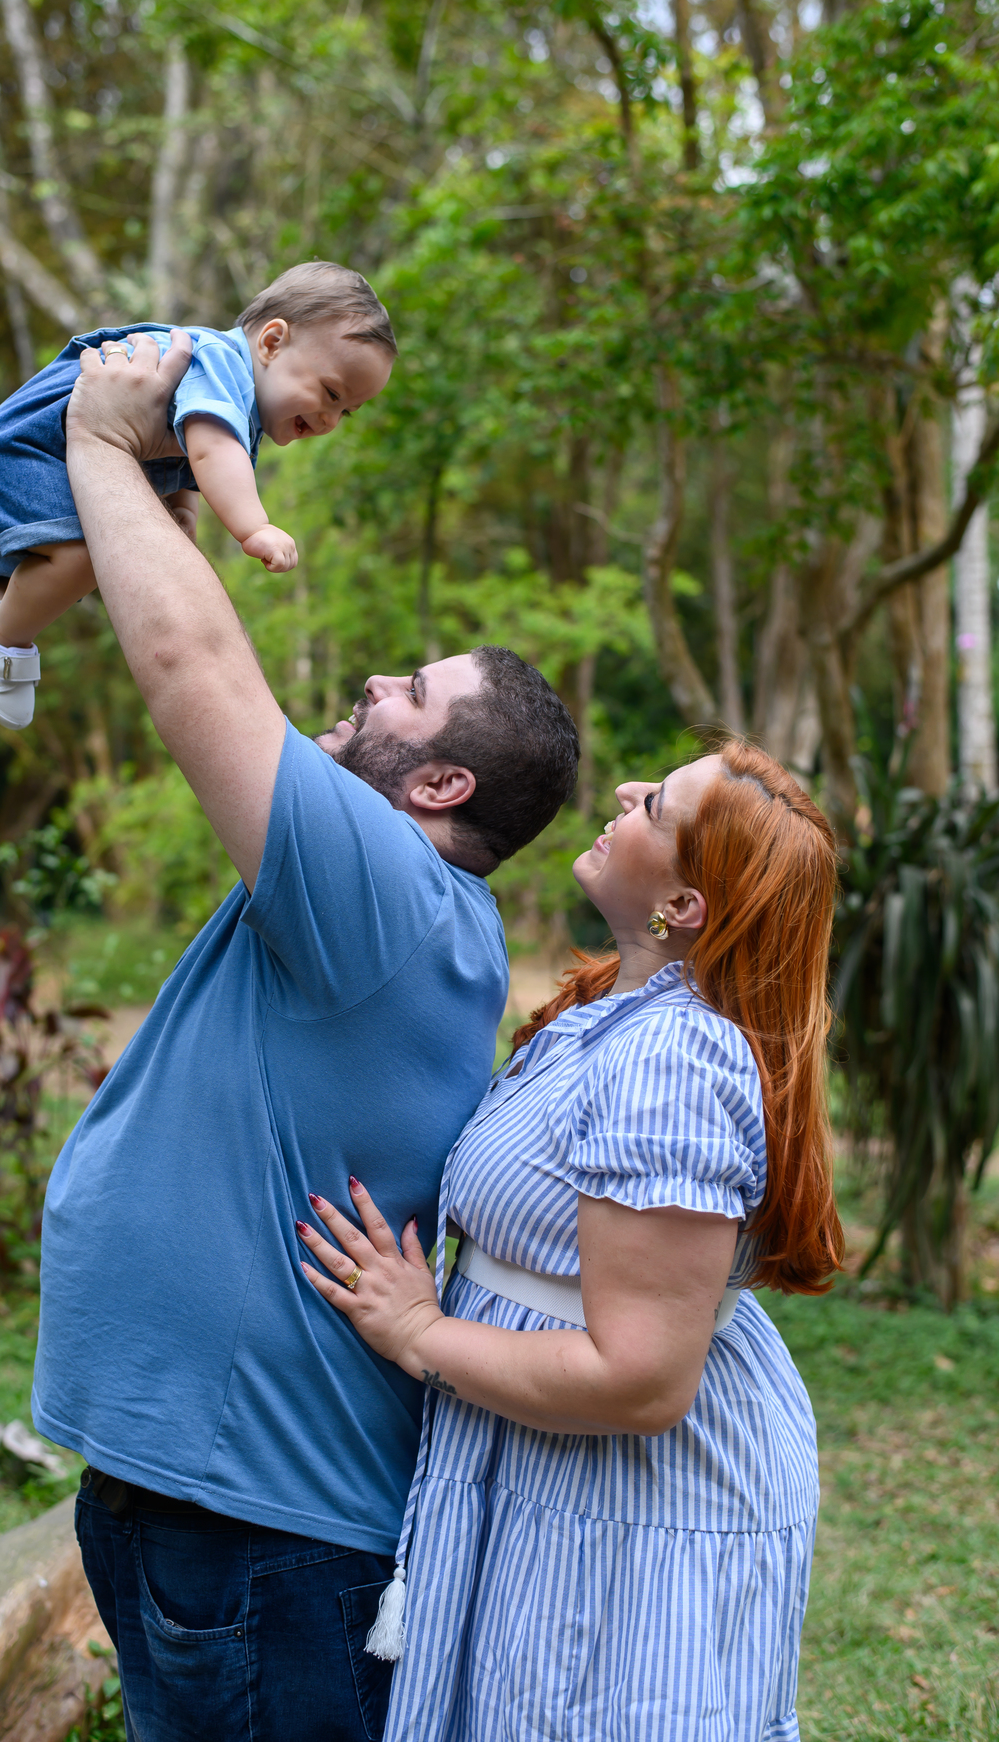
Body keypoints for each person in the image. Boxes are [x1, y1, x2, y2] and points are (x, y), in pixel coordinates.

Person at [27, 329, 580, 1742]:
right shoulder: (378, 903)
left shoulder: (391, 896)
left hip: (263, 1540)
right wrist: (151, 488)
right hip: (203, 1507)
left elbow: (191, 661)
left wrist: (97, 442)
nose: (374, 685)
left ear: (440, 782)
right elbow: (188, 633)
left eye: (409, 693)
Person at [299, 742, 844, 1742]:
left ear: (683, 906)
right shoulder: (616, 1015)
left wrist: (418, 1332)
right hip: (551, 1458)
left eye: (657, 806)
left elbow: (640, 1380)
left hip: (629, 1487)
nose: (625, 793)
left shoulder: (673, 1059)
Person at [0, 261, 395, 751]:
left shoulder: (235, 396)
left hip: (41, 452)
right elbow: (211, 451)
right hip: (30, 447)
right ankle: (1, 643)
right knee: (85, 555)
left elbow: (186, 452)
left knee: (36, 578)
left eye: (346, 411)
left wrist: (183, 510)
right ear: (271, 342)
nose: (330, 419)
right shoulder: (221, 364)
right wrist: (254, 527)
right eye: (330, 393)